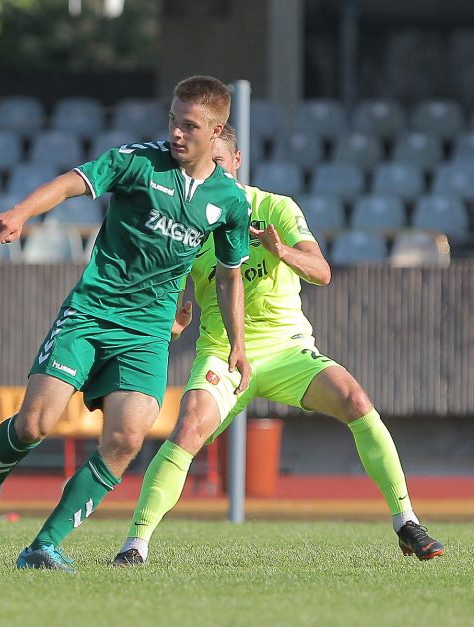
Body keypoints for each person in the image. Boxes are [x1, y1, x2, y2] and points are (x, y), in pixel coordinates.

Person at [0, 75, 253, 572]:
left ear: (216, 131)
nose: (176, 132)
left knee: (127, 438)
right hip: (91, 313)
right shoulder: (137, 161)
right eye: (173, 120)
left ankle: (44, 545)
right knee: (34, 425)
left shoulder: (230, 202)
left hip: (147, 334)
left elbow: (229, 276)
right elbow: (72, 183)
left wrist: (238, 342)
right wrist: (21, 212)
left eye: (189, 126)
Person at [112, 125, 444, 567]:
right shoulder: (189, 221)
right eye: (202, 166)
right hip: (224, 352)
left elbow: (322, 272)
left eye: (219, 164)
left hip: (287, 349)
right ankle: (135, 544)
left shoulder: (276, 208)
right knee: (189, 428)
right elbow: (171, 292)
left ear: (236, 162)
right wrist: (172, 322)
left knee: (356, 399)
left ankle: (406, 521)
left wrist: (281, 250)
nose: (212, 173)